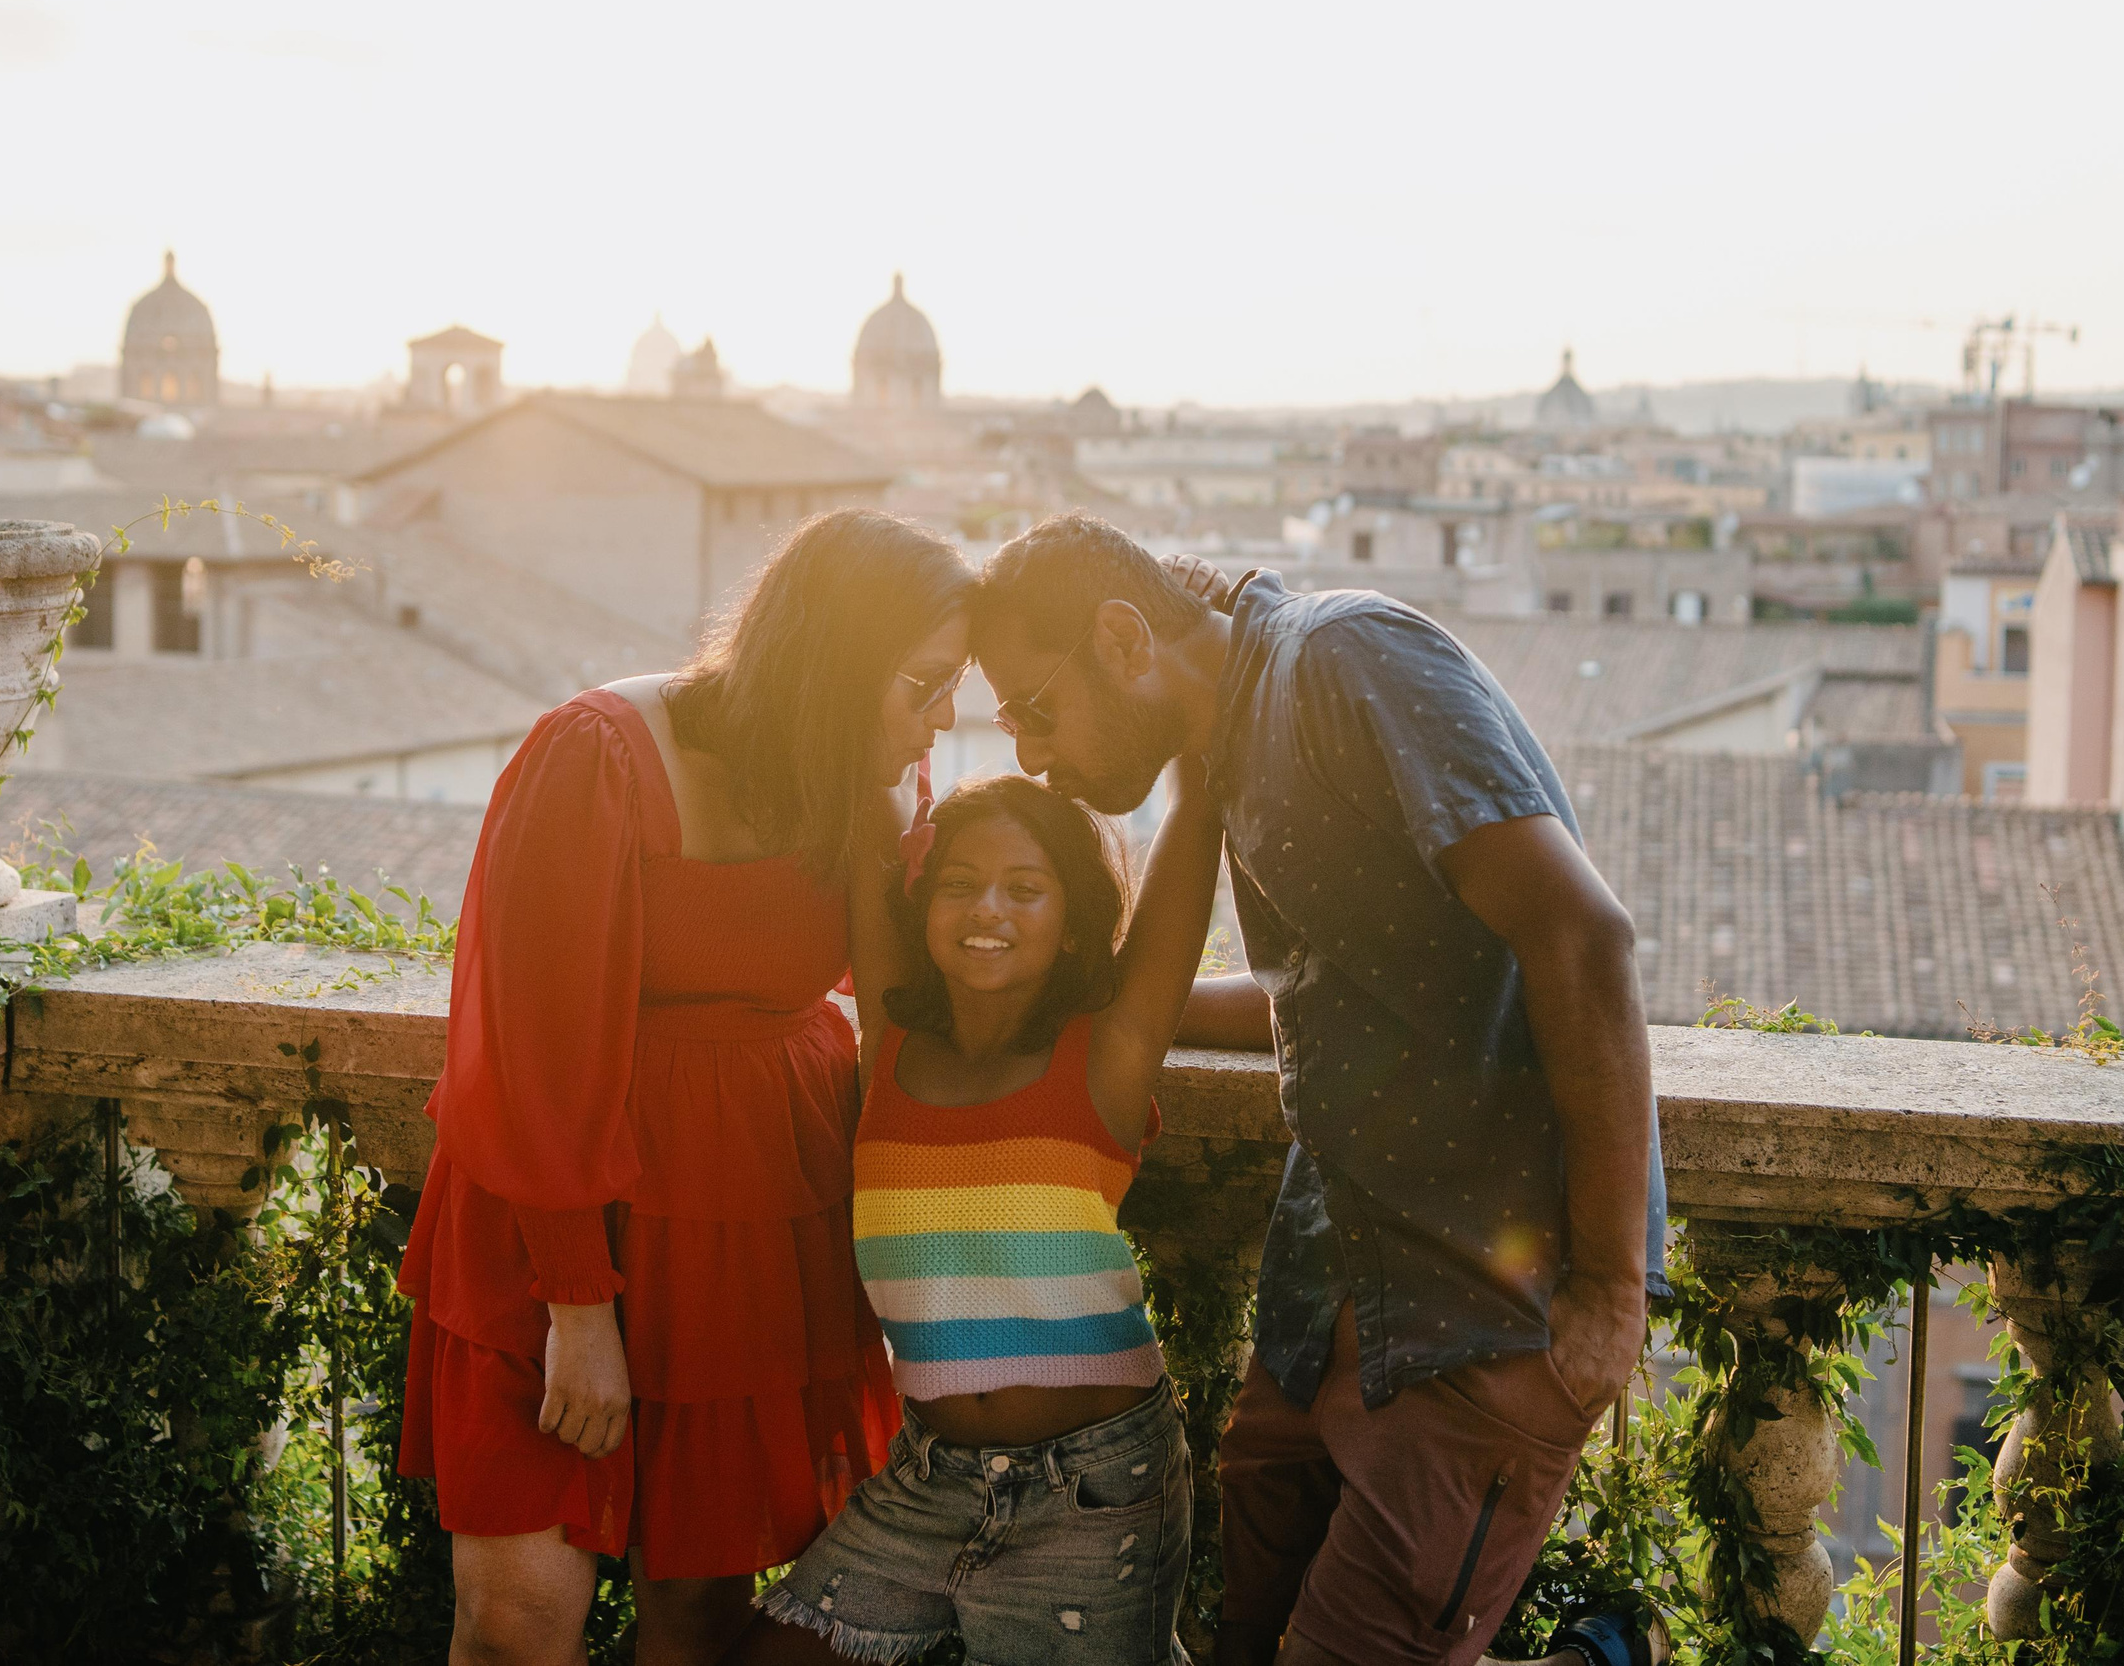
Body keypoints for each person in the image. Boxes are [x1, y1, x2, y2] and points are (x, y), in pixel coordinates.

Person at [968, 514, 1671, 1666]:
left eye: (1033, 708)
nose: (1033, 757)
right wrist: (1099, 1001)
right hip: (1329, 1285)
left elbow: (1580, 934)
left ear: (1121, 638)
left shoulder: (1348, 661)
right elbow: (1322, 987)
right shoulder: (1235, 734)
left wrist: (1607, 1295)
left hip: (1483, 1305)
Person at [396, 510, 974, 1666]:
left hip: (748, 1224)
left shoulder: (869, 774)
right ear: (834, 670)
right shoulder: (599, 753)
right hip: (555, 1233)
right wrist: (578, 1307)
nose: (944, 718)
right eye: (924, 683)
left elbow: (905, 988)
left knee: (700, 1625)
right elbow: (531, 1045)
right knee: (515, 1624)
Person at [755, 760, 1225, 1666]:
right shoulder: (889, 1041)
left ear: (1075, 923)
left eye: (1026, 889)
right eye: (960, 885)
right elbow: (868, 801)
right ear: (921, 904)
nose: (987, 912)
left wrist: (1191, 747)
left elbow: (1194, 825)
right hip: (929, 1479)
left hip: (1094, 1491)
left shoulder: (1108, 1054)